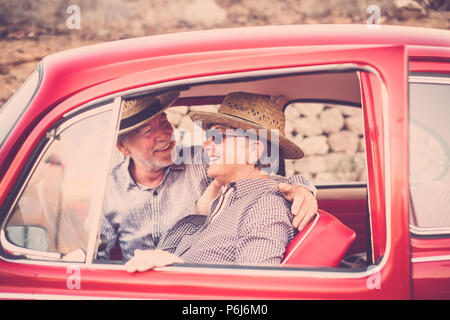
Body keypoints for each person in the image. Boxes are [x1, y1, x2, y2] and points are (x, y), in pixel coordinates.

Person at [99, 90, 318, 261]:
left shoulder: (200, 161)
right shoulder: (109, 189)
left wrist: (300, 188)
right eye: (148, 132)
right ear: (123, 147)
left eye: (165, 124)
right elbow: (96, 253)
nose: (165, 135)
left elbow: (256, 176)